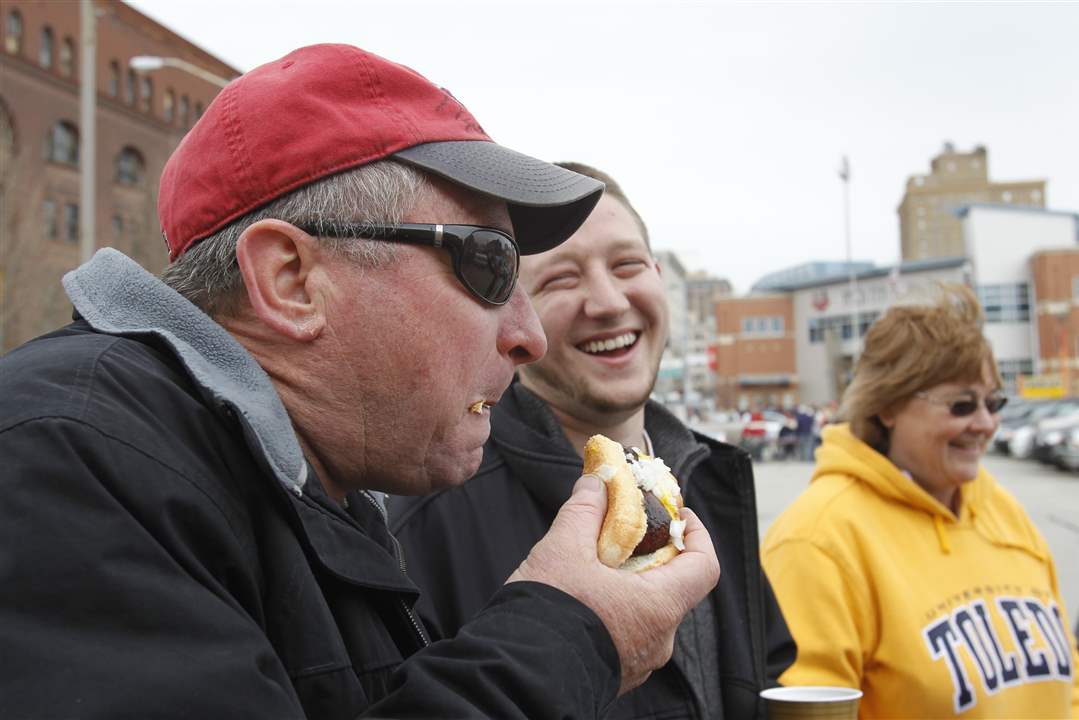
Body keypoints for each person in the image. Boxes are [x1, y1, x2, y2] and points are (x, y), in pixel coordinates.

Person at [0, 44, 721, 719]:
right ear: (291, 281)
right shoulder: (60, 462)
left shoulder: (314, 494)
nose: (528, 336)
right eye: (490, 266)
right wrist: (569, 634)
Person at [389, 162, 795, 719]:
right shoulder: (429, 516)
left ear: (657, 274)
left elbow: (765, 673)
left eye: (627, 265)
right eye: (562, 279)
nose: (607, 302)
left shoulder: (713, 474)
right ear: (514, 314)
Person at [762, 285, 1078, 718]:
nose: (985, 423)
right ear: (887, 405)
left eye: (994, 402)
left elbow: (1068, 680)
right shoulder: (816, 541)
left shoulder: (1002, 509)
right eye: (962, 404)